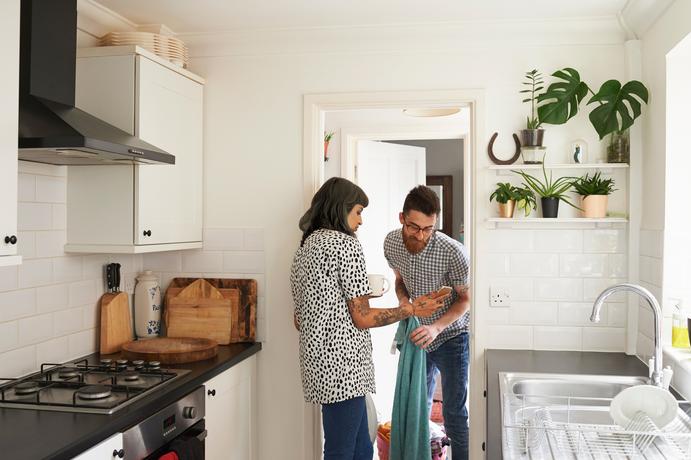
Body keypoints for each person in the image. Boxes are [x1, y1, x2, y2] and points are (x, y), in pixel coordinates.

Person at [290, 177, 450, 460]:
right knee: (341, 449)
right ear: (341, 209)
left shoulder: (305, 248)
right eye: (358, 211)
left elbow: (301, 318)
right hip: (344, 365)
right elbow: (362, 318)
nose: (361, 221)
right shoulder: (345, 244)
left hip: (318, 362)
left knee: (363, 446)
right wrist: (411, 309)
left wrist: (359, 299)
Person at [384, 185, 471, 459]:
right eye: (414, 227)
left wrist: (436, 327)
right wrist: (404, 305)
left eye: (428, 229)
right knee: (416, 407)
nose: (421, 235)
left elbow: (466, 300)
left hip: (451, 336)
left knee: (454, 413)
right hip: (416, 335)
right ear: (402, 218)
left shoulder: (453, 252)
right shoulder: (391, 244)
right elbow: (400, 283)